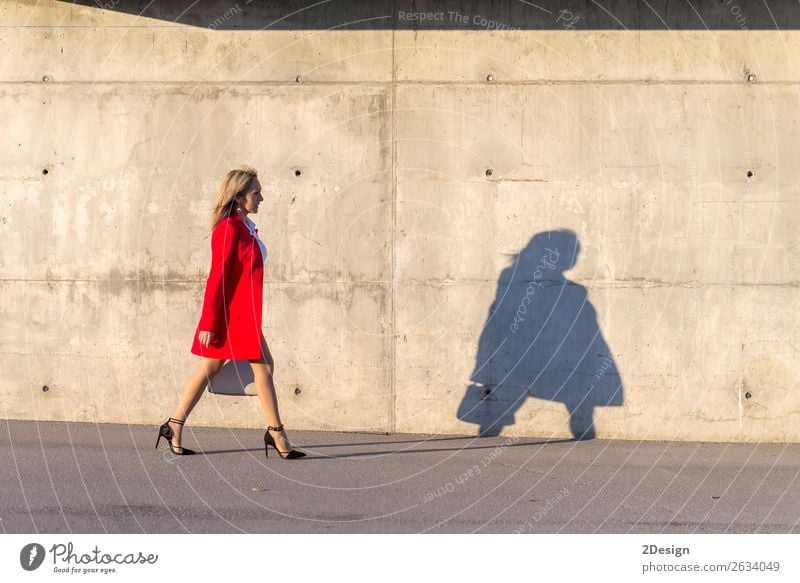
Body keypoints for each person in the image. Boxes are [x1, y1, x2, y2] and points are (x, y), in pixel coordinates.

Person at [156, 165, 306, 459]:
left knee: (215, 369)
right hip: (229, 316)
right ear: (238, 197)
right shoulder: (228, 228)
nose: (261, 198)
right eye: (256, 193)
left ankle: (174, 424)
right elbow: (217, 276)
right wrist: (210, 321)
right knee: (259, 369)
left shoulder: (246, 227)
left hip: (243, 314)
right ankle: (276, 433)